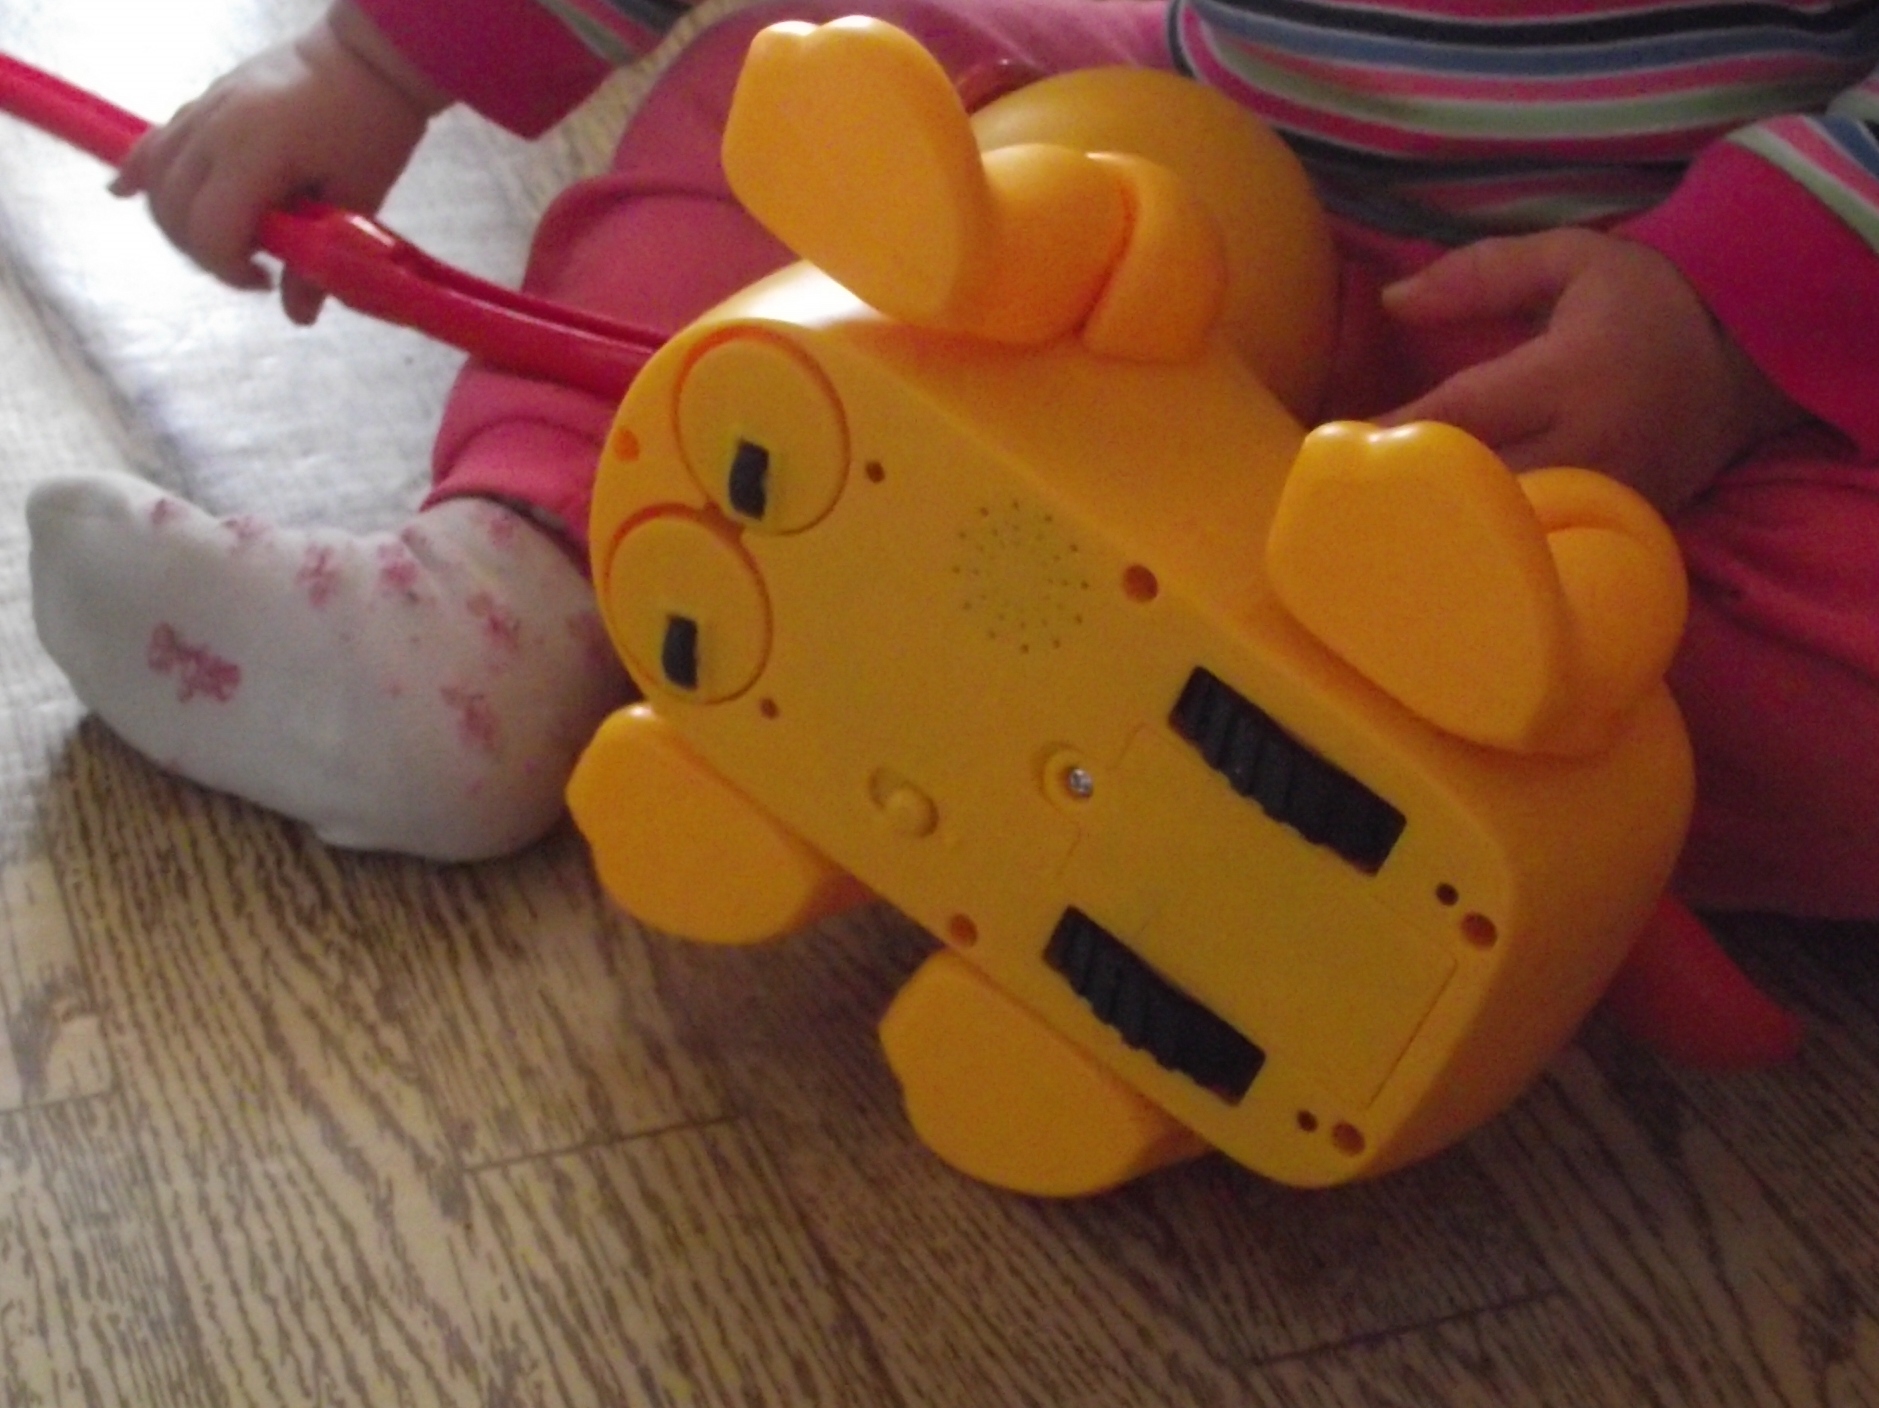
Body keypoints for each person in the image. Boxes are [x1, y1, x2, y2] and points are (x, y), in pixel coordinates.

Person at [23, 0, 1879, 926]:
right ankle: (522, 592)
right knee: (831, 86)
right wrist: (383, 60)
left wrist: (1733, 316)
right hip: (1178, 205)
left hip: (1676, 378)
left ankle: (1399, 790)